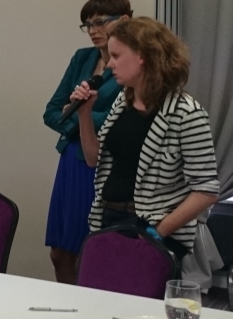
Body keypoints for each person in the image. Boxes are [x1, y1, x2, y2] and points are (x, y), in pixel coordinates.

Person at [72, 17, 219, 260]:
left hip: (149, 225)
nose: (109, 65)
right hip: (108, 216)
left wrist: (157, 232)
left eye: (116, 56)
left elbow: (206, 190)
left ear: (142, 56)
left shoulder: (186, 113)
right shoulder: (123, 102)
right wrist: (84, 114)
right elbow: (93, 159)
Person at [42, 0, 128, 284]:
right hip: (71, 159)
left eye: (100, 22)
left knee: (90, 252)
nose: (93, 30)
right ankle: (68, 305)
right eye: (88, 24)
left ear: (124, 20)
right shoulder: (83, 58)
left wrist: (82, 114)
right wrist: (81, 119)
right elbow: (52, 112)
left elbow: (121, 119)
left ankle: (89, 306)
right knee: (59, 252)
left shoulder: (130, 64)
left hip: (101, 163)